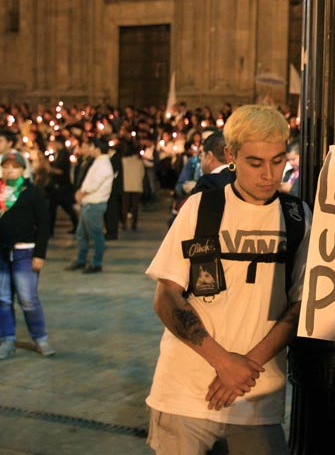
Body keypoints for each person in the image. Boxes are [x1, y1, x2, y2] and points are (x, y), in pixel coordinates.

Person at [144, 105, 311, 455]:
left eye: (278, 161)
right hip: (183, 395)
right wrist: (223, 362)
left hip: (258, 397)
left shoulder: (297, 217)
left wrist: (242, 369)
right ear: (231, 156)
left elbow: (301, 306)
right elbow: (166, 297)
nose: (269, 174)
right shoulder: (201, 207)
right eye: (255, 163)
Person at [0, 151, 55, 359]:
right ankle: (7, 338)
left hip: (25, 252)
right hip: (2, 254)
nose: (9, 170)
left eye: (14, 167)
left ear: (23, 169)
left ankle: (40, 338)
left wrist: (39, 254)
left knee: (28, 299)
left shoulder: (32, 192)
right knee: (3, 299)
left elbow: (43, 225)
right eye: (6, 166)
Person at [65, 137, 113, 274]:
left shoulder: (104, 164)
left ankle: (96, 262)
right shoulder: (99, 162)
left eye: (92, 147)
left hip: (94, 203)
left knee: (96, 234)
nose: (90, 150)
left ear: (98, 149)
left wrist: (82, 192)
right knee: (82, 234)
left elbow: (95, 183)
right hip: (89, 202)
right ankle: (81, 259)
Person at [46, 135, 79, 235]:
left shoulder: (64, 154)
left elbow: (62, 171)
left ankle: (76, 225)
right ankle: (49, 229)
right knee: (52, 208)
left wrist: (50, 169)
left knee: (66, 206)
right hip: (57, 187)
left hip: (62, 186)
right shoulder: (59, 153)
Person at [121, 142, 145, 231]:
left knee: (125, 206)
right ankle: (134, 223)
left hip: (126, 185)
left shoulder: (123, 161)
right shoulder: (139, 162)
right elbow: (142, 174)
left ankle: (124, 223)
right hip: (137, 186)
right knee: (135, 206)